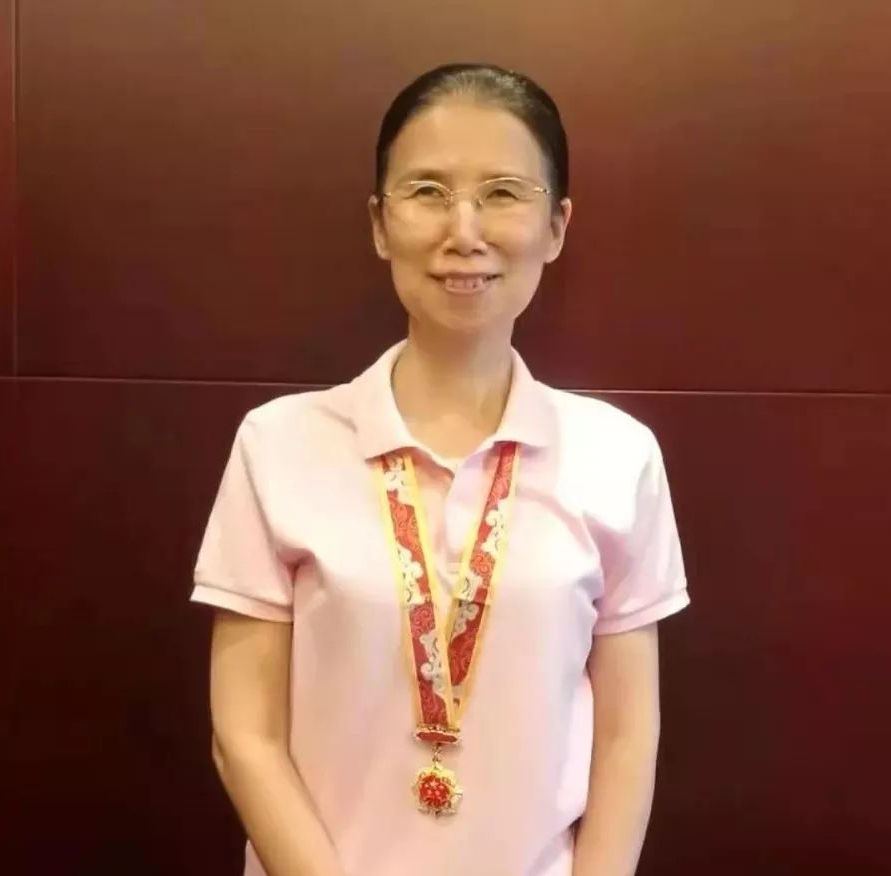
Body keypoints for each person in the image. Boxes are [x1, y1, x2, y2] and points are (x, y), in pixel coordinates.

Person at [191, 63, 689, 876]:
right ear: (380, 223)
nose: (465, 231)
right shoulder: (277, 444)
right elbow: (245, 736)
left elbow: (629, 737)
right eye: (427, 192)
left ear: (556, 226)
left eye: (502, 193)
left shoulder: (618, 454)